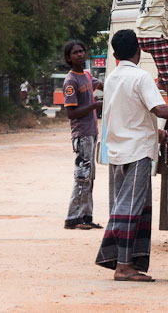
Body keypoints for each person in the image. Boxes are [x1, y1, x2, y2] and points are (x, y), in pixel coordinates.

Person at [95, 28, 168, 282]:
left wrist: (157, 134)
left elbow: (124, 113)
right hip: (136, 153)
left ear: (114, 54)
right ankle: (123, 266)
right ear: (139, 51)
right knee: (131, 208)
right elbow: (160, 109)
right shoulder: (141, 77)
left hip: (116, 151)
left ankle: (127, 262)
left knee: (127, 206)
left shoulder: (112, 77)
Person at [62, 40, 103, 230]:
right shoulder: (71, 81)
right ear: (68, 58)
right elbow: (71, 113)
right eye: (75, 52)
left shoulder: (86, 76)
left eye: (81, 51)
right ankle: (73, 218)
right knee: (82, 176)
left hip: (92, 133)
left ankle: (86, 216)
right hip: (82, 134)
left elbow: (101, 84)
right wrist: (94, 106)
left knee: (90, 177)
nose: (79, 55)